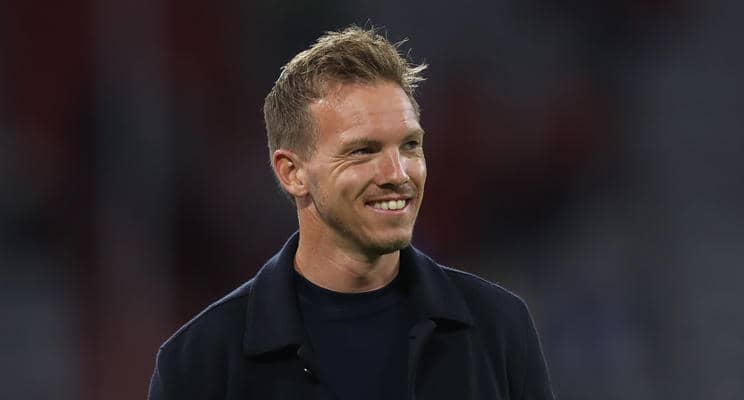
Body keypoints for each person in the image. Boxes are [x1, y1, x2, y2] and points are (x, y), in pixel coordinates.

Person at [148, 26, 555, 400]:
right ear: (292, 173)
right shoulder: (200, 363)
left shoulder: (499, 328)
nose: (398, 174)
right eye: (363, 151)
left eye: (410, 146)